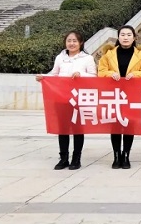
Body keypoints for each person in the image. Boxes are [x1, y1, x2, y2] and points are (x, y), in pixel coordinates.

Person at [36, 30, 96, 170]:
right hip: (61, 98)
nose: (71, 43)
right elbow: (54, 75)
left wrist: (81, 74)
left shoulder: (87, 58)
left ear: (81, 43)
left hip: (79, 98)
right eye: (69, 40)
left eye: (75, 41)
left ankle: (76, 158)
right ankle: (63, 158)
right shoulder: (60, 57)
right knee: (62, 128)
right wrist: (44, 77)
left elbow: (94, 76)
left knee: (77, 129)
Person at [98, 25, 141, 169]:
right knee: (115, 125)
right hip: (113, 95)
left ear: (134, 38)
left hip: (132, 95)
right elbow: (101, 71)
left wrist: (136, 74)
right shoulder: (108, 55)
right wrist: (110, 74)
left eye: (129, 35)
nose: (125, 37)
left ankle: (126, 155)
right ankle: (116, 156)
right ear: (118, 37)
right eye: (122, 35)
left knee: (129, 125)